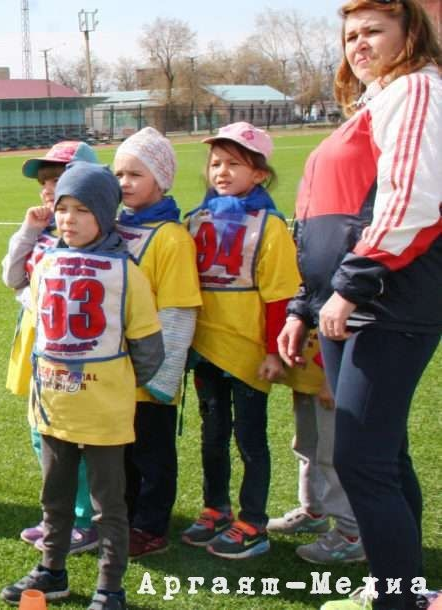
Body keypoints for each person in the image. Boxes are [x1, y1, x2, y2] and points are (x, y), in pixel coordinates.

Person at [278, 1, 441, 607]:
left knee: (362, 459)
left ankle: (397, 598)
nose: (359, 43)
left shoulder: (419, 89)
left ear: (412, 32)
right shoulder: (379, 100)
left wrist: (352, 285)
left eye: (374, 30)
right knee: (383, 455)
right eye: (351, 34)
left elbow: (412, 202)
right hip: (347, 302)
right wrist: (306, 303)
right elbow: (329, 212)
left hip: (386, 300)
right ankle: (403, 589)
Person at [0, 162, 163, 610]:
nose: (67, 218)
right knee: (54, 498)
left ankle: (110, 587)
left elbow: (149, 346)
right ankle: (52, 571)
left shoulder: (127, 272)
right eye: (63, 208)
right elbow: (32, 313)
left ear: (107, 215)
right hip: (52, 406)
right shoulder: (47, 260)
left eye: (81, 210)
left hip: (103, 413)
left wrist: (117, 386)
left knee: (108, 505)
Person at [180, 122, 300, 559]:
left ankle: (254, 521)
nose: (222, 172)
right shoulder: (194, 219)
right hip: (205, 351)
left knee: (250, 439)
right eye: (216, 163)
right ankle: (216, 507)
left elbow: (279, 294)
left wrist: (273, 350)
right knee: (211, 436)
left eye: (234, 163)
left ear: (260, 174)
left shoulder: (270, 225)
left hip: (249, 354)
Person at [0, 141, 101, 555]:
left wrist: (32, 296)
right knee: (42, 433)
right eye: (45, 181)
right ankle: (56, 516)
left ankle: (83, 519)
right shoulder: (42, 232)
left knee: (71, 437)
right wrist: (27, 230)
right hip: (37, 345)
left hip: (76, 355)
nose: (47, 189)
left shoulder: (92, 237)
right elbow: (10, 277)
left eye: (57, 179)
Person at [111, 127, 201, 558]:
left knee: (153, 454)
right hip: (115, 371)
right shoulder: (113, 229)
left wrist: (160, 376)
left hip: (150, 373)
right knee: (121, 451)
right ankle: (125, 516)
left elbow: (179, 312)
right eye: (119, 174)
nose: (124, 182)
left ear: (162, 179)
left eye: (135, 174)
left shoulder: (172, 238)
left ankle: (151, 525)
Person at [268, 330, 364, 565]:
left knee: (332, 457)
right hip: (307, 378)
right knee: (305, 446)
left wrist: (331, 379)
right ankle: (313, 512)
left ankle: (351, 535)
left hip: (330, 381)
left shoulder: (341, 293)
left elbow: (345, 329)